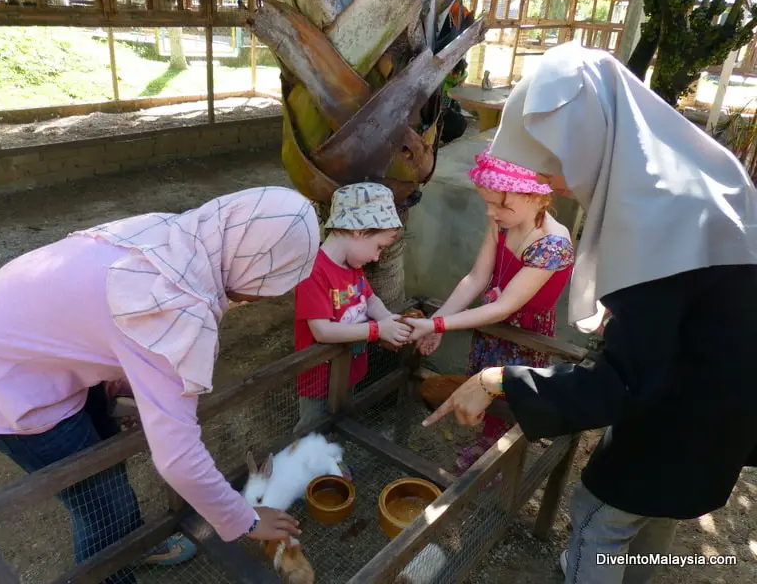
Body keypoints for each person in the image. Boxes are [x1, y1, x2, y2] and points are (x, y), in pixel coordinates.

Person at [421, 41, 757, 584]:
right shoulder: (701, 175)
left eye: (554, 168)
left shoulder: (655, 217)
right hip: (725, 413)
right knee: (659, 513)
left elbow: (624, 382)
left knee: (599, 519)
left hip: (676, 417)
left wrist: (497, 380)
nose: (554, 183)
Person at [0, 186, 318, 583]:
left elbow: (102, 319)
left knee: (108, 463)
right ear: (255, 268)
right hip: (7, 388)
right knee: (102, 505)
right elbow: (178, 458)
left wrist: (126, 387)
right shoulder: (175, 311)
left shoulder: (179, 236)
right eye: (274, 282)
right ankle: (113, 567)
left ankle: (137, 541)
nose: (268, 296)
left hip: (26, 347)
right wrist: (245, 519)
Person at [405, 149, 574, 474]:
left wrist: (439, 324)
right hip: (492, 326)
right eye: (488, 203)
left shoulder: (553, 244)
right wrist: (437, 323)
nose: (490, 212)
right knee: (483, 381)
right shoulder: (501, 222)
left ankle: (500, 457)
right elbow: (476, 278)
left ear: (537, 197)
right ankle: (489, 439)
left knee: (508, 389)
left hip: (524, 336)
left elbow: (504, 307)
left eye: (501, 205)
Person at [293, 182, 412, 432]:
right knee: (312, 433)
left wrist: (387, 319)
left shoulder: (352, 267)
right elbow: (322, 331)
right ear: (359, 231)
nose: (377, 257)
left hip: (349, 370)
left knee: (341, 423)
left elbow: (370, 299)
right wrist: (377, 330)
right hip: (319, 381)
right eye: (378, 247)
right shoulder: (313, 272)